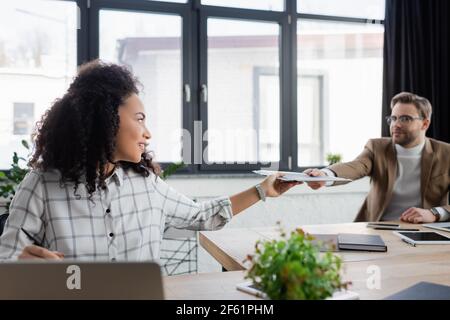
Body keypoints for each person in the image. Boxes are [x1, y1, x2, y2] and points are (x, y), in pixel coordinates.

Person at [0, 60, 300, 261]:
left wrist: (263, 190)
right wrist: (19, 269)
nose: (148, 133)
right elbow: (8, 260)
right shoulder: (41, 185)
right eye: (139, 119)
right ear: (104, 120)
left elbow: (201, 215)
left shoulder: (146, 185)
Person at [305, 92, 449, 224]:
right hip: (380, 226)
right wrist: (325, 175)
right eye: (393, 118)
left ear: (425, 123)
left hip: (425, 230)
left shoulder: (446, 153)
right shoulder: (377, 147)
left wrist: (435, 213)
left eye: (405, 119)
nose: (396, 125)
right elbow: (356, 166)